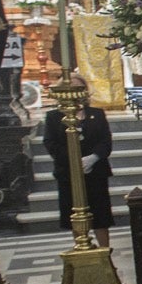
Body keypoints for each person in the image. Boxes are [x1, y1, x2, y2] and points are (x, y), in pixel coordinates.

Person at [42, 72, 113, 249]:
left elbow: (105, 140)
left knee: (100, 216)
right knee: (74, 214)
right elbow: (50, 143)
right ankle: (81, 247)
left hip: (95, 172)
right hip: (68, 173)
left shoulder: (96, 114)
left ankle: (105, 252)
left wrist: (93, 158)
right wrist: (74, 160)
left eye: (78, 88)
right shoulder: (54, 117)